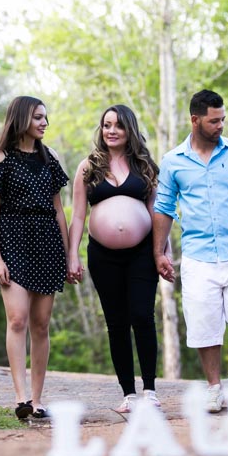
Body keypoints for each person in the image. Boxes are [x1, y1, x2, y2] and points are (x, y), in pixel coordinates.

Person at [152, 89, 228, 414]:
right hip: (198, 256)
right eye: (214, 120)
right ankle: (213, 387)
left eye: (223, 119)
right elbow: (163, 208)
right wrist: (159, 252)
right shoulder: (173, 161)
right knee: (204, 323)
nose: (220, 125)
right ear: (195, 120)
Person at [67, 104, 170, 413]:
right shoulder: (88, 167)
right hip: (102, 255)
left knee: (142, 315)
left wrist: (163, 252)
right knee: (116, 322)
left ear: (129, 130)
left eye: (117, 126)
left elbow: (159, 213)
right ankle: (128, 393)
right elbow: (78, 216)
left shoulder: (146, 166)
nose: (111, 130)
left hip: (142, 253)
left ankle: (149, 390)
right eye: (106, 125)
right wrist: (72, 255)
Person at [0, 96, 72, 420]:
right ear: (21, 119)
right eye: (38, 118)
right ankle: (20, 399)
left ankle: (38, 398)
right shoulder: (0, 159)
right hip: (12, 243)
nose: (45, 123)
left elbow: (59, 210)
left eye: (46, 117)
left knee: (41, 325)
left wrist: (70, 253)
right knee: (17, 319)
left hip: (47, 243)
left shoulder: (50, 157)